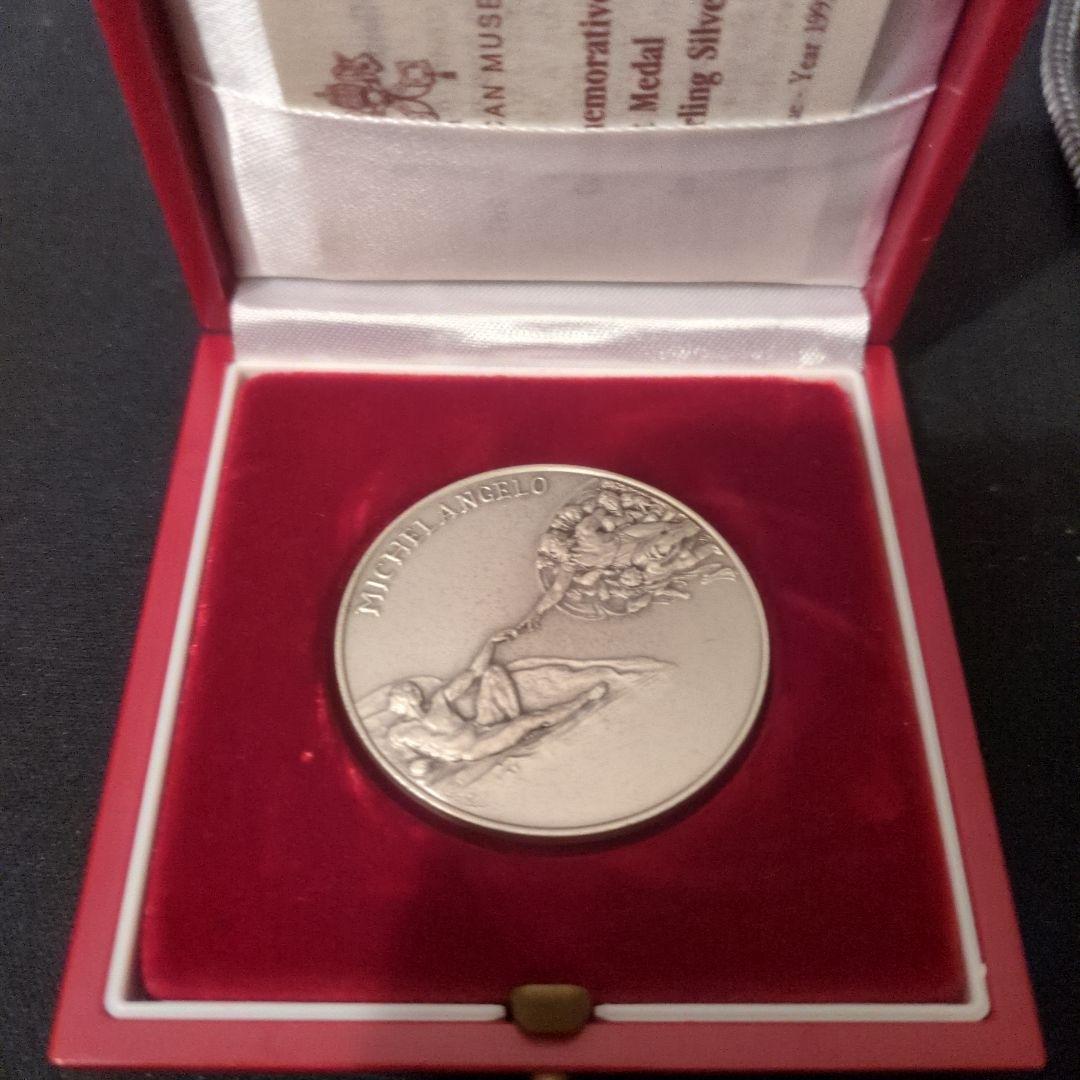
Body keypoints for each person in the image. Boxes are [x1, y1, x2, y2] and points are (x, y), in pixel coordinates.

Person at [385, 631, 609, 765]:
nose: (413, 691)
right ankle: (586, 699)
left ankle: (523, 720)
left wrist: (491, 642)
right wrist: (418, 763)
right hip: (474, 747)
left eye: (411, 688)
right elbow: (408, 760)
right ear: (400, 702)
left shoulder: (439, 701)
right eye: (406, 691)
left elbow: (474, 672)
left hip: (481, 727)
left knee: (492, 673)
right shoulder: (399, 733)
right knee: (528, 722)